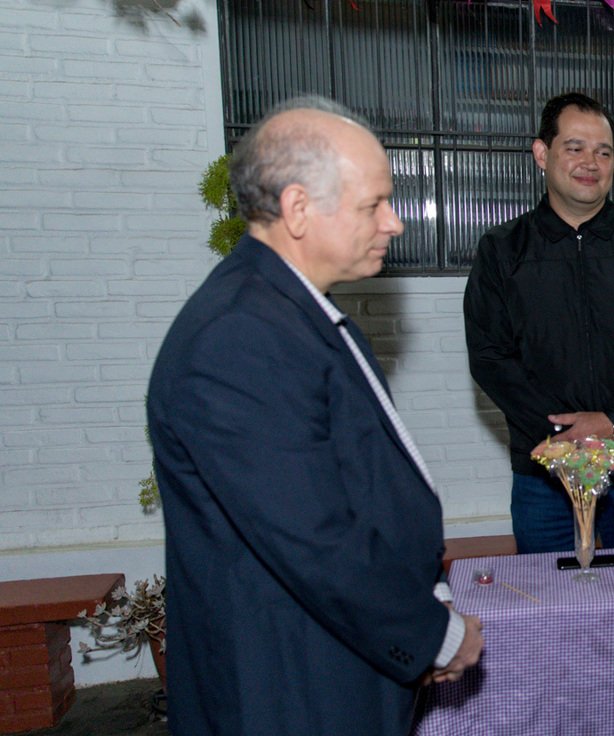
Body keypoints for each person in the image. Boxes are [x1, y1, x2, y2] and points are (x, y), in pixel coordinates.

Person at [147, 97, 482, 734]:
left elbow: (361, 485)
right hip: (289, 686)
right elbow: (312, 537)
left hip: (328, 663)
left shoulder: (288, 312)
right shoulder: (238, 337)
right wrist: (432, 634)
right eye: (373, 205)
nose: (394, 223)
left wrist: (425, 592)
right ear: (298, 208)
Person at [463, 92, 614, 554]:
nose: (591, 162)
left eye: (603, 152)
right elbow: (491, 357)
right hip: (544, 473)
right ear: (542, 153)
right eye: (575, 148)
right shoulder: (503, 250)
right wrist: (565, 438)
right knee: (549, 595)